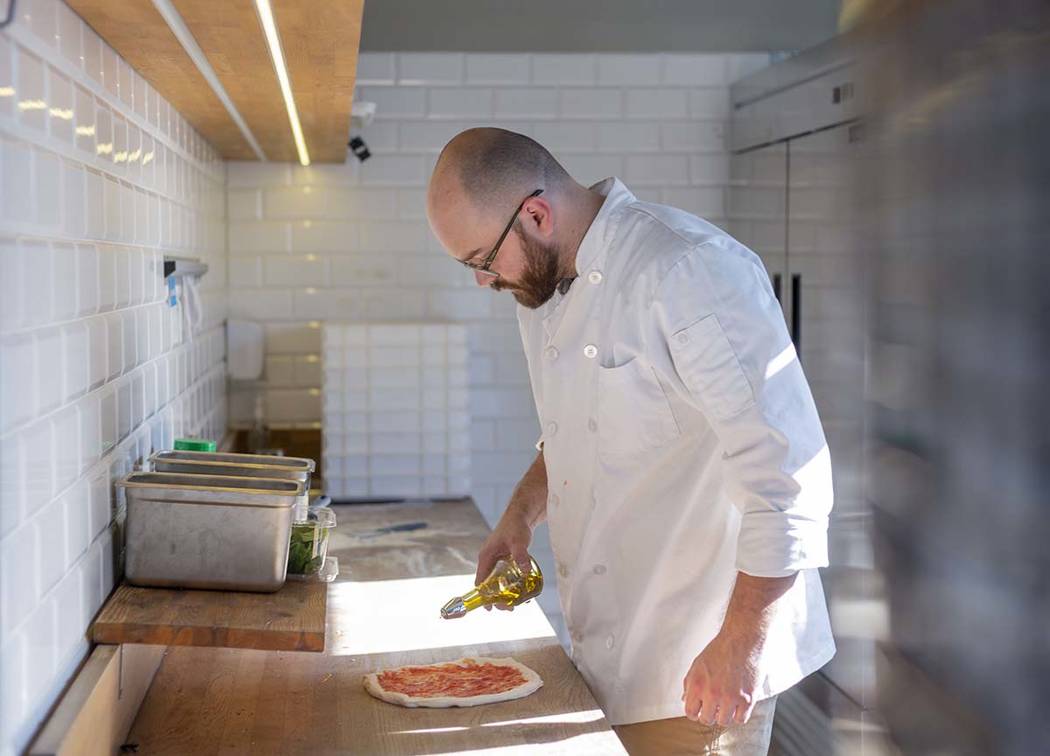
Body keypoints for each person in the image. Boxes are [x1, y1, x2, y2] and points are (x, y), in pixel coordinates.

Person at [426, 128, 835, 755]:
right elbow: (576, 431)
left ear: (535, 214)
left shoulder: (687, 269)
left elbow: (788, 479)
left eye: (482, 260)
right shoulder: (539, 289)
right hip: (607, 654)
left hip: (701, 665)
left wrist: (740, 646)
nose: (484, 281)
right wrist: (519, 515)